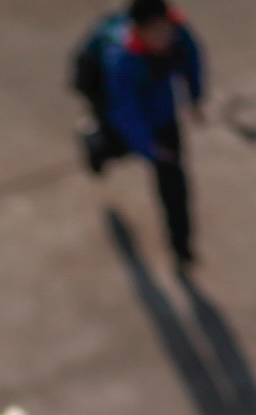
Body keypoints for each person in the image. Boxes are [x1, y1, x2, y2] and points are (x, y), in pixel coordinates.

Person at [76, 0, 206, 267]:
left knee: (174, 185)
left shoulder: (178, 32)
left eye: (166, 29)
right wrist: (148, 147)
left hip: (163, 118)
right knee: (115, 149)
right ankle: (94, 145)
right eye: (155, 33)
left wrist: (195, 98)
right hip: (125, 121)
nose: (165, 38)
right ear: (138, 31)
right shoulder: (122, 61)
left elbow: (192, 59)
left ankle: (181, 246)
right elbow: (125, 113)